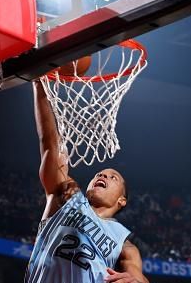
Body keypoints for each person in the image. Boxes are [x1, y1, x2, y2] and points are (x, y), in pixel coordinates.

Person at [25, 80, 149, 283]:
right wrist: (39, 84)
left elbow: (137, 276)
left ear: (122, 200)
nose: (103, 176)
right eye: (100, 174)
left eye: (112, 177)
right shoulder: (67, 196)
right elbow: (49, 142)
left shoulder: (125, 245)